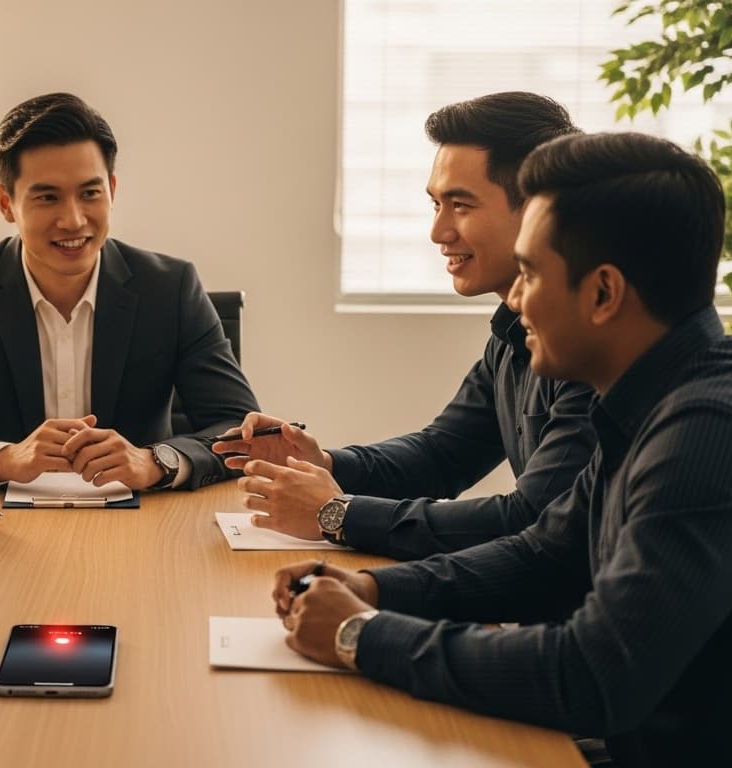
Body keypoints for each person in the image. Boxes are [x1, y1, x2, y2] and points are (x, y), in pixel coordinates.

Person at [271, 132, 732, 765]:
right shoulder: (648, 397)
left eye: (528, 274)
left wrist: (361, 635)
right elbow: (544, 554)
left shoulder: (714, 433)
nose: (514, 301)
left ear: (604, 293)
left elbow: (592, 675)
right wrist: (371, 589)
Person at [218, 92, 596, 559]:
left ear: (538, 208)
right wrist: (324, 463)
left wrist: (337, 513)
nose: (439, 232)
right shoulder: (512, 332)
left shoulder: (590, 346)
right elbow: (442, 454)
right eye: (436, 205)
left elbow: (532, 519)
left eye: (460, 205)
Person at [0, 92, 259, 492]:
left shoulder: (171, 286)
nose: (73, 220)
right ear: (7, 204)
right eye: (47, 197)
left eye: (90, 193)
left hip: (144, 522)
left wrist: (154, 461)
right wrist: (3, 458)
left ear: (111, 189)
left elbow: (242, 427)